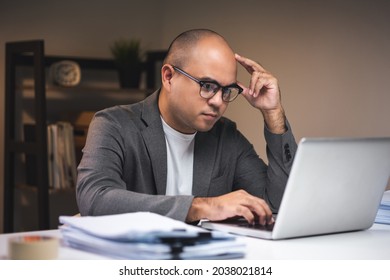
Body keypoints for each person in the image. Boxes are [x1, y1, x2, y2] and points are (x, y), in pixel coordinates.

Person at [76, 29, 297, 226]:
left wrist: (273, 112)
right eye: (208, 86)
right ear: (169, 77)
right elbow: (95, 198)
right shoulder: (114, 125)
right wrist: (200, 207)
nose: (219, 101)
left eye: (227, 90)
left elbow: (277, 206)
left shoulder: (226, 137)